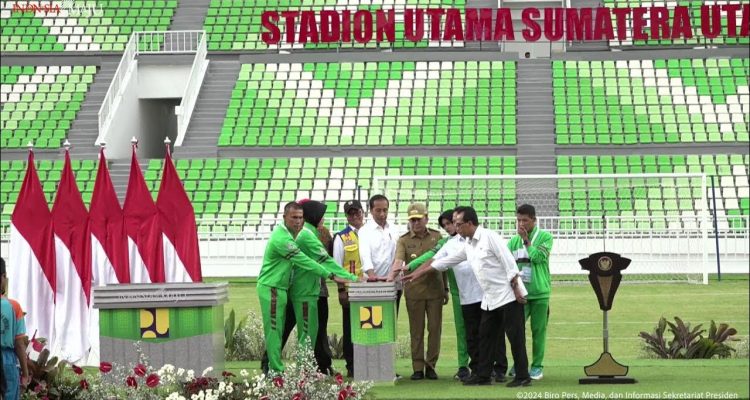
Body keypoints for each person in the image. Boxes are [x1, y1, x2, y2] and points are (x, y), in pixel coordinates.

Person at [405, 206, 531, 387]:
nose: (456, 228)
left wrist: (517, 288)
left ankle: (522, 376)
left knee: (515, 337)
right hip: (490, 298)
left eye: (458, 224)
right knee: (485, 337)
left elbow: (508, 261)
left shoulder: (490, 237)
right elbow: (445, 261)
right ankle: (483, 375)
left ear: (470, 223)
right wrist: (418, 273)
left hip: (509, 295)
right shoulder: (468, 244)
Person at [257, 202, 355, 373]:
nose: (298, 221)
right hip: (280, 289)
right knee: (281, 331)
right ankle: (277, 372)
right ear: (284, 217)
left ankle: (295, 370)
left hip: (284, 289)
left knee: (293, 332)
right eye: (294, 217)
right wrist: (337, 276)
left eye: (300, 217)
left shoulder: (294, 235)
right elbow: (307, 260)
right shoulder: (287, 237)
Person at [399, 209, 482, 382]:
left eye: (451, 223)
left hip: (479, 291)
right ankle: (463, 366)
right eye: (445, 225)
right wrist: (410, 268)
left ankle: (489, 366)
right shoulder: (446, 242)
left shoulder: (479, 238)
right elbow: (433, 258)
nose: (448, 227)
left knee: (485, 330)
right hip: (458, 292)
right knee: (461, 331)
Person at [389, 203, 444, 380]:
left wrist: (446, 289)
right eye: (412, 220)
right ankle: (418, 367)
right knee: (416, 331)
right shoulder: (403, 240)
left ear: (426, 218)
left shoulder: (437, 236)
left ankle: (431, 366)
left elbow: (444, 265)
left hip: (435, 291)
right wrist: (391, 277)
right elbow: (398, 261)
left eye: (418, 219)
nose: (415, 223)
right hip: (414, 292)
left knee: (435, 329)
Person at [507, 204, 553, 380]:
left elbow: (538, 257)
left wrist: (527, 241)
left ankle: (536, 366)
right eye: (518, 220)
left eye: (525, 220)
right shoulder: (512, 241)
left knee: (538, 331)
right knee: (516, 331)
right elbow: (508, 265)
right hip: (520, 294)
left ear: (534, 220)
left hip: (540, 292)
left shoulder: (545, 237)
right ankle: (520, 364)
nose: (521, 224)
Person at [332, 199, 366, 378]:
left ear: (363, 212)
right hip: (351, 290)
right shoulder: (341, 237)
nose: (355, 216)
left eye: (357, 212)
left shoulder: (370, 233)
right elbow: (337, 266)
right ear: (346, 216)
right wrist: (341, 290)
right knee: (351, 328)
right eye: (351, 213)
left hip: (371, 289)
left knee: (368, 326)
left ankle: (368, 362)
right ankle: (352, 365)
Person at [358, 195, 399, 308]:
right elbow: (365, 256)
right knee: (375, 321)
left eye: (385, 210)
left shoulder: (395, 229)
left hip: (394, 282)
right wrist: (373, 277)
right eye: (378, 210)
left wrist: (392, 275)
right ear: (371, 211)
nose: (382, 214)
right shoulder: (364, 231)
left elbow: (398, 255)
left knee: (392, 319)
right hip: (373, 284)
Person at [1, 257, 30, 400]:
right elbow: (19, 344)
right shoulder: (14, 307)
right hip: (7, 360)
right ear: (3, 278)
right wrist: (25, 373)